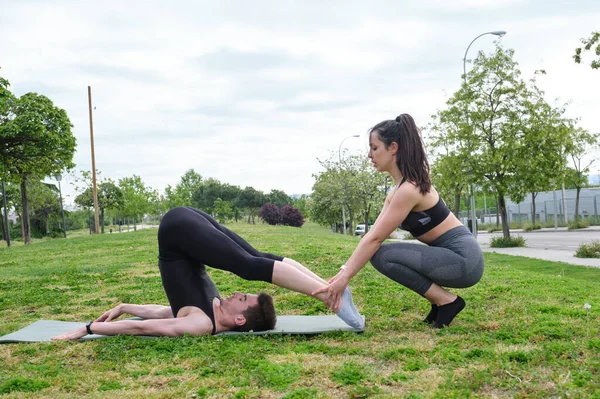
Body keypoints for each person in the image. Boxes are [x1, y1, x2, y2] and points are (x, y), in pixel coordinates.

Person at [53, 207, 363, 340]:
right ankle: (330, 287)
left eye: (242, 299)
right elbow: (165, 312)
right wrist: (122, 308)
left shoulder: (200, 324)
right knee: (255, 259)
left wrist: (90, 327)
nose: (235, 294)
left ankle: (327, 296)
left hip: (179, 230)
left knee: (247, 265)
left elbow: (145, 327)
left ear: (240, 319)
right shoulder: (209, 310)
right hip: (187, 227)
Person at [314, 114, 484, 328]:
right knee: (379, 253)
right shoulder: (397, 191)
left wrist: (344, 279)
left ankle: (446, 302)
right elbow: (371, 235)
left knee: (382, 255)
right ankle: (440, 302)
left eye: (374, 148)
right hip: (453, 258)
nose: (369, 155)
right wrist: (342, 272)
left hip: (464, 262)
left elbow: (375, 240)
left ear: (393, 147)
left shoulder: (409, 190)